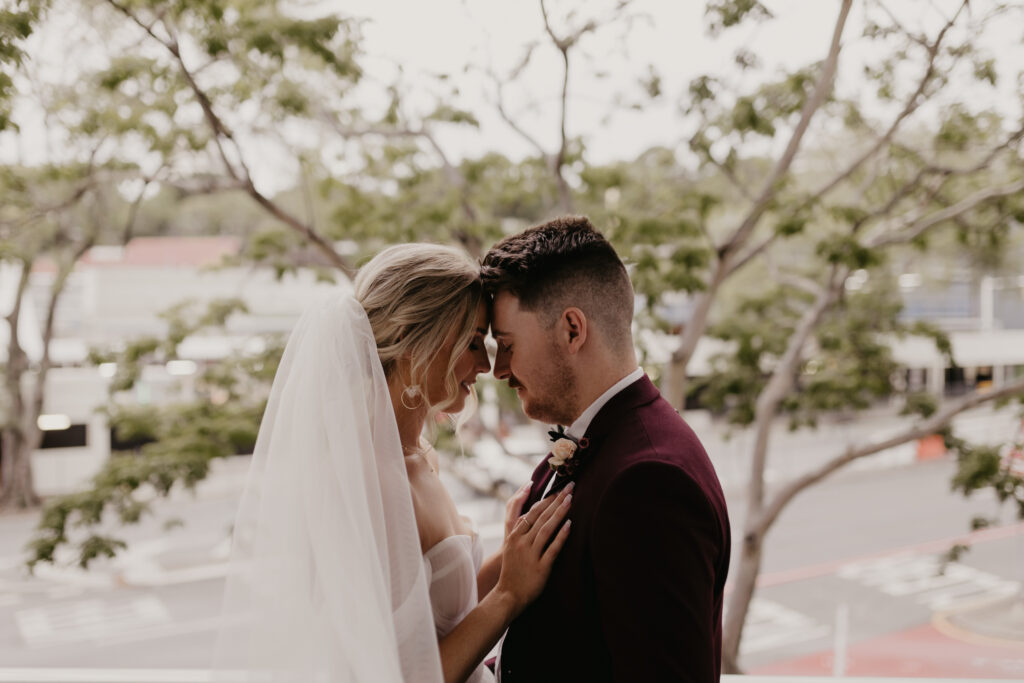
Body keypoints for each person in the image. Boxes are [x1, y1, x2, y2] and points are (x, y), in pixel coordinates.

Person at [215, 244, 571, 683]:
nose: (485, 364)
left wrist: (508, 556)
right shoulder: (372, 482)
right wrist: (510, 595)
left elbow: (434, 616)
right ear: (413, 340)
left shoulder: (419, 456)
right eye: (474, 342)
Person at [481, 216, 731, 682]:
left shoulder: (651, 481)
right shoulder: (589, 441)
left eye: (508, 345)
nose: (498, 369)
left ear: (572, 330)